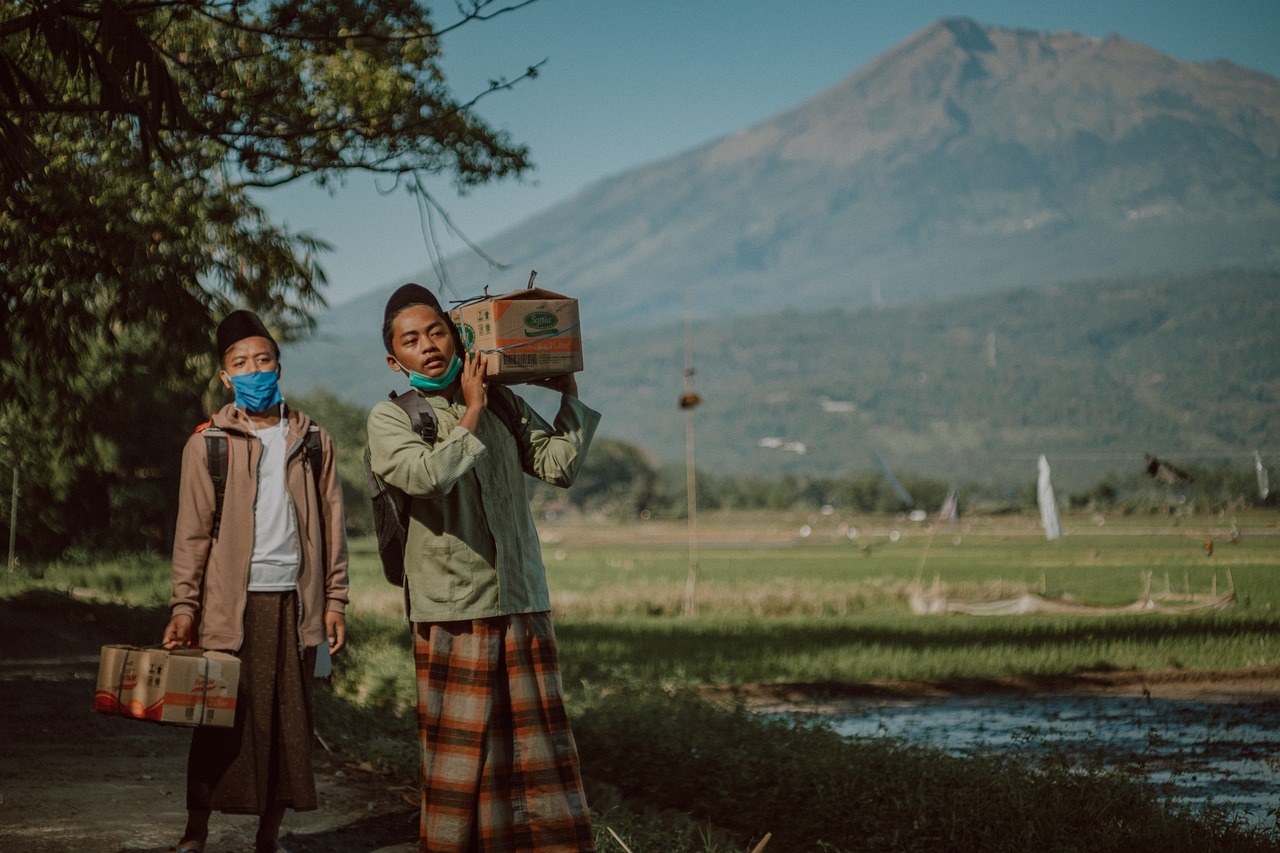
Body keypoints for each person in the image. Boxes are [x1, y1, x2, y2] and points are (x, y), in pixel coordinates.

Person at [366, 284, 600, 852]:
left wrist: (566, 392)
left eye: (437, 332)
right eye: (412, 340)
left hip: (520, 598)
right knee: (461, 760)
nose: (428, 346)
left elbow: (558, 465)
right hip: (453, 607)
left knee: (533, 756)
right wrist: (469, 409)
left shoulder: (500, 402)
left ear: (459, 337)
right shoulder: (392, 417)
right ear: (395, 359)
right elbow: (426, 478)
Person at [162, 309, 350, 853]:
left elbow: (333, 526)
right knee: (217, 720)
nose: (254, 370)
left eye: (263, 359)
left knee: (287, 728)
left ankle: (267, 836)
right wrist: (184, 605)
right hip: (230, 607)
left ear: (279, 366)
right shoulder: (208, 444)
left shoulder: (314, 441)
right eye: (240, 363)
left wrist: (335, 599)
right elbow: (192, 535)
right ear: (226, 377)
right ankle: (196, 831)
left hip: (294, 604)